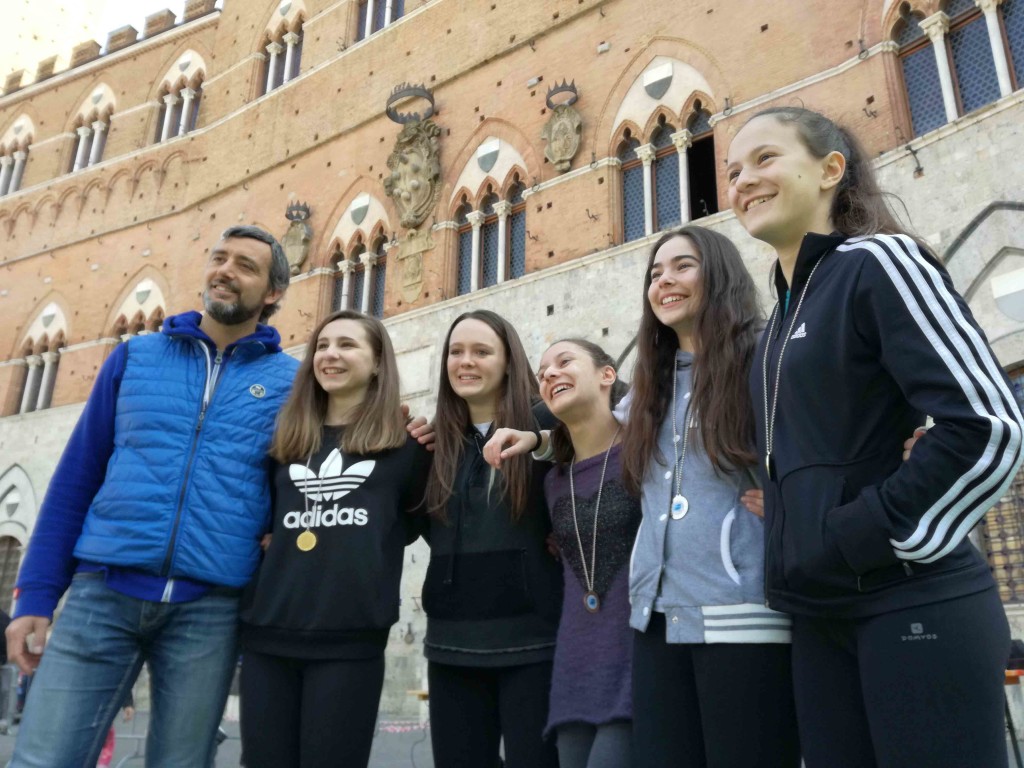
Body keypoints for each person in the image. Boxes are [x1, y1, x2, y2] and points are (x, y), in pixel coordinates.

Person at [727, 106, 1024, 767]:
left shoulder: (878, 262)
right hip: (819, 617)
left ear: (831, 169)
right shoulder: (777, 322)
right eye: (733, 170)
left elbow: (988, 427)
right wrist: (798, 521)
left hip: (912, 602)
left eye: (765, 159)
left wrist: (859, 529)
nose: (743, 179)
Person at [5, 226, 298, 767]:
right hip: (101, 596)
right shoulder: (134, 357)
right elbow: (76, 479)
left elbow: (297, 487)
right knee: (42, 760)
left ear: (274, 292)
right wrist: (37, 596)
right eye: (219, 258)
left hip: (209, 609)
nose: (225, 271)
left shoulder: (291, 382)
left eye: (245, 266)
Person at [620, 226, 799, 768]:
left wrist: (798, 501)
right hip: (656, 619)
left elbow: (823, 442)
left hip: (743, 614)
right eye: (655, 273)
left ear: (717, 274)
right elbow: (585, 421)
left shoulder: (767, 359)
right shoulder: (649, 385)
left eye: (682, 267)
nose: (665, 281)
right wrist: (535, 435)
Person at [237, 309, 431, 768]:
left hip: (350, 642)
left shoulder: (407, 447)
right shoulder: (284, 442)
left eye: (347, 345)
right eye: (322, 346)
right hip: (268, 636)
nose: (330, 354)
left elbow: (422, 527)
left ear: (379, 361)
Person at [488, 339, 638, 768]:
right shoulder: (554, 480)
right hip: (576, 664)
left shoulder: (649, 454)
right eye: (543, 370)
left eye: (565, 361)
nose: (549, 373)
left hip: (636, 662)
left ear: (607, 375)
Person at [422, 310, 562, 768]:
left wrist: (544, 437)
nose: (466, 362)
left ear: (508, 361)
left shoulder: (548, 426)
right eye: (456, 352)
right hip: (451, 642)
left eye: (482, 351)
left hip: (534, 642)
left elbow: (614, 424)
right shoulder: (430, 444)